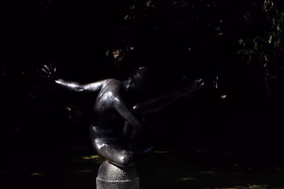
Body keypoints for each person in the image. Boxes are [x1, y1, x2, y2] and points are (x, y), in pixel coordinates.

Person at [52, 67, 202, 167]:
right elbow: (137, 124)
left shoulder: (110, 82)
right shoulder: (116, 98)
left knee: (139, 108)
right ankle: (133, 151)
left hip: (119, 134)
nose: (142, 92)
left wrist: (56, 80)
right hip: (103, 140)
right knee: (126, 159)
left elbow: (80, 88)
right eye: (142, 88)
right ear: (134, 82)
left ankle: (132, 148)